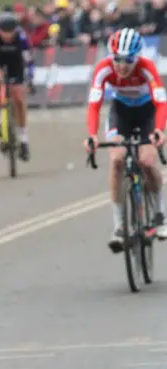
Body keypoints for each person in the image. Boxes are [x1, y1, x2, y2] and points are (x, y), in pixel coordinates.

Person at [85, 28, 167, 251]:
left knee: (147, 161)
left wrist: (159, 131)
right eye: (117, 59)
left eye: (128, 60)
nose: (121, 65)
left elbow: (161, 103)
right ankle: (120, 226)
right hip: (120, 113)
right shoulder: (104, 68)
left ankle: (160, 215)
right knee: (117, 161)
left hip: (147, 113)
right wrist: (92, 135)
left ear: (137, 57)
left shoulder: (147, 68)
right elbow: (94, 104)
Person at [0, 12, 34, 161]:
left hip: (16, 64)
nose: (7, 36)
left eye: (10, 32)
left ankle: (24, 139)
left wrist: (30, 79)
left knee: (18, 98)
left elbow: (29, 61)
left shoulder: (22, 38)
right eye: (4, 32)